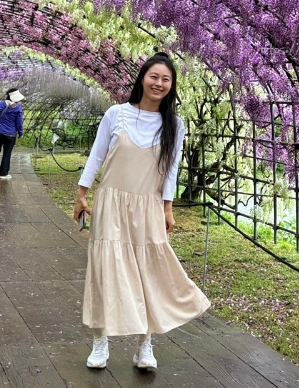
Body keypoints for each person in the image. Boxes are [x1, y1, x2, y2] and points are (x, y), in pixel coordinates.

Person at [73, 52, 210, 371]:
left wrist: (168, 208)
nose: (158, 83)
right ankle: (99, 340)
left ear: (172, 85)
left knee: (149, 273)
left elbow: (172, 171)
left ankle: (145, 346)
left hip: (148, 204)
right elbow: (96, 157)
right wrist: (81, 194)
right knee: (104, 271)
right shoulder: (116, 114)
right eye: (154, 77)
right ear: (142, 79)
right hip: (111, 203)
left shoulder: (175, 124)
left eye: (166, 79)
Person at [0, 89, 24, 180]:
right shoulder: (18, 108)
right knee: (7, 153)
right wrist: (20, 133)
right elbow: (19, 123)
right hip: (10, 134)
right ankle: (3, 174)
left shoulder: (0, 105)